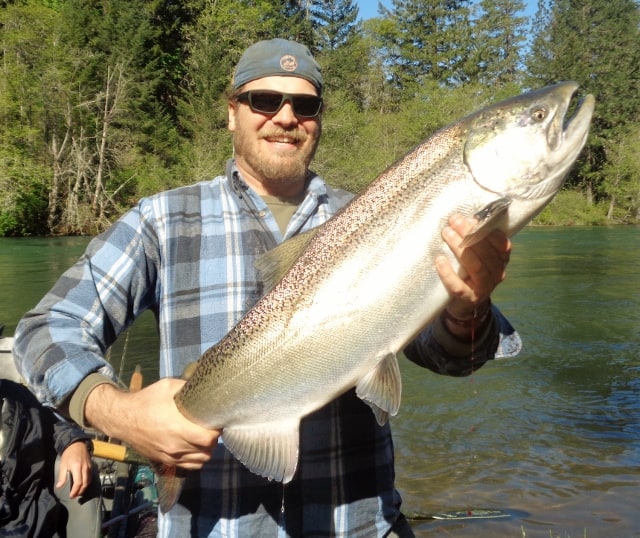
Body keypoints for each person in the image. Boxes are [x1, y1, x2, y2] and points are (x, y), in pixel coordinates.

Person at [13, 38, 521, 537]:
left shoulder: (378, 216)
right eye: (263, 100)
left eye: (305, 104)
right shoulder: (162, 221)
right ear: (232, 112)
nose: (285, 117)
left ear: (319, 118)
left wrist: (466, 310)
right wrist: (118, 411)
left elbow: (451, 357)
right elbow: (46, 329)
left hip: (362, 523)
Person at [0, 378, 100, 537]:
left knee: (82, 473)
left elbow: (54, 422)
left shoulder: (17, 396)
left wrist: (74, 443)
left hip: (35, 517)